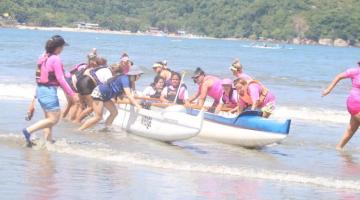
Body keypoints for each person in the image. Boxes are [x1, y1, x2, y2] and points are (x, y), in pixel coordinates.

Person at [22, 35, 78, 147]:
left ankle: (48, 142)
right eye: (62, 47)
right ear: (58, 47)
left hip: (41, 90)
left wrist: (35, 98)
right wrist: (72, 94)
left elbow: (42, 76)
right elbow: (61, 79)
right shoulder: (55, 59)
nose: (63, 49)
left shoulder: (43, 57)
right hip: (48, 92)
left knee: (48, 119)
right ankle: (28, 130)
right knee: (54, 119)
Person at [79, 67, 143, 131]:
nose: (139, 77)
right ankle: (80, 129)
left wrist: (130, 100)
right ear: (134, 75)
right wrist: (137, 105)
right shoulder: (125, 79)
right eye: (139, 75)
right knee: (98, 117)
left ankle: (106, 128)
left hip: (106, 96)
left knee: (114, 112)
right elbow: (129, 95)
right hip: (99, 93)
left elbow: (122, 95)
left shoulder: (129, 80)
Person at [322, 62, 360, 150]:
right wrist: (328, 90)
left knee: (351, 130)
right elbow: (339, 76)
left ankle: (339, 148)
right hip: (355, 102)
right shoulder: (355, 71)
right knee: (351, 129)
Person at [62, 48, 99, 121]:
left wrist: (94, 52)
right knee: (77, 103)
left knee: (70, 103)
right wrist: (77, 92)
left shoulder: (84, 65)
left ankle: (63, 119)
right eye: (95, 60)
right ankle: (72, 121)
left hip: (66, 81)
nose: (95, 62)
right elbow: (76, 79)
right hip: (71, 83)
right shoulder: (86, 68)